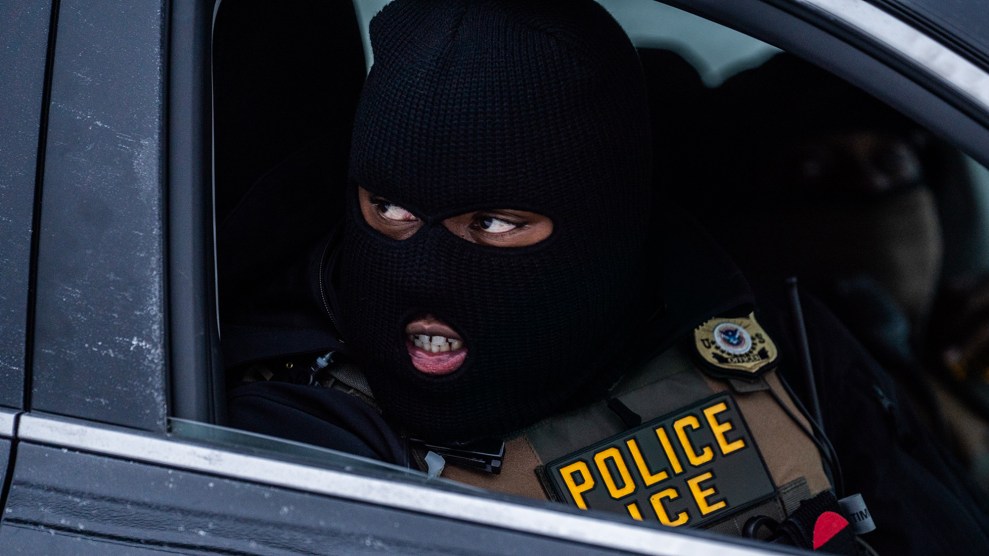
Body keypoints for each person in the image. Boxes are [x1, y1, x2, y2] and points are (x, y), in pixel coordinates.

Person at [224, 1, 989, 553]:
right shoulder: (298, 435)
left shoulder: (769, 337)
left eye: (492, 224)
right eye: (387, 210)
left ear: (600, 225)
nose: (424, 267)